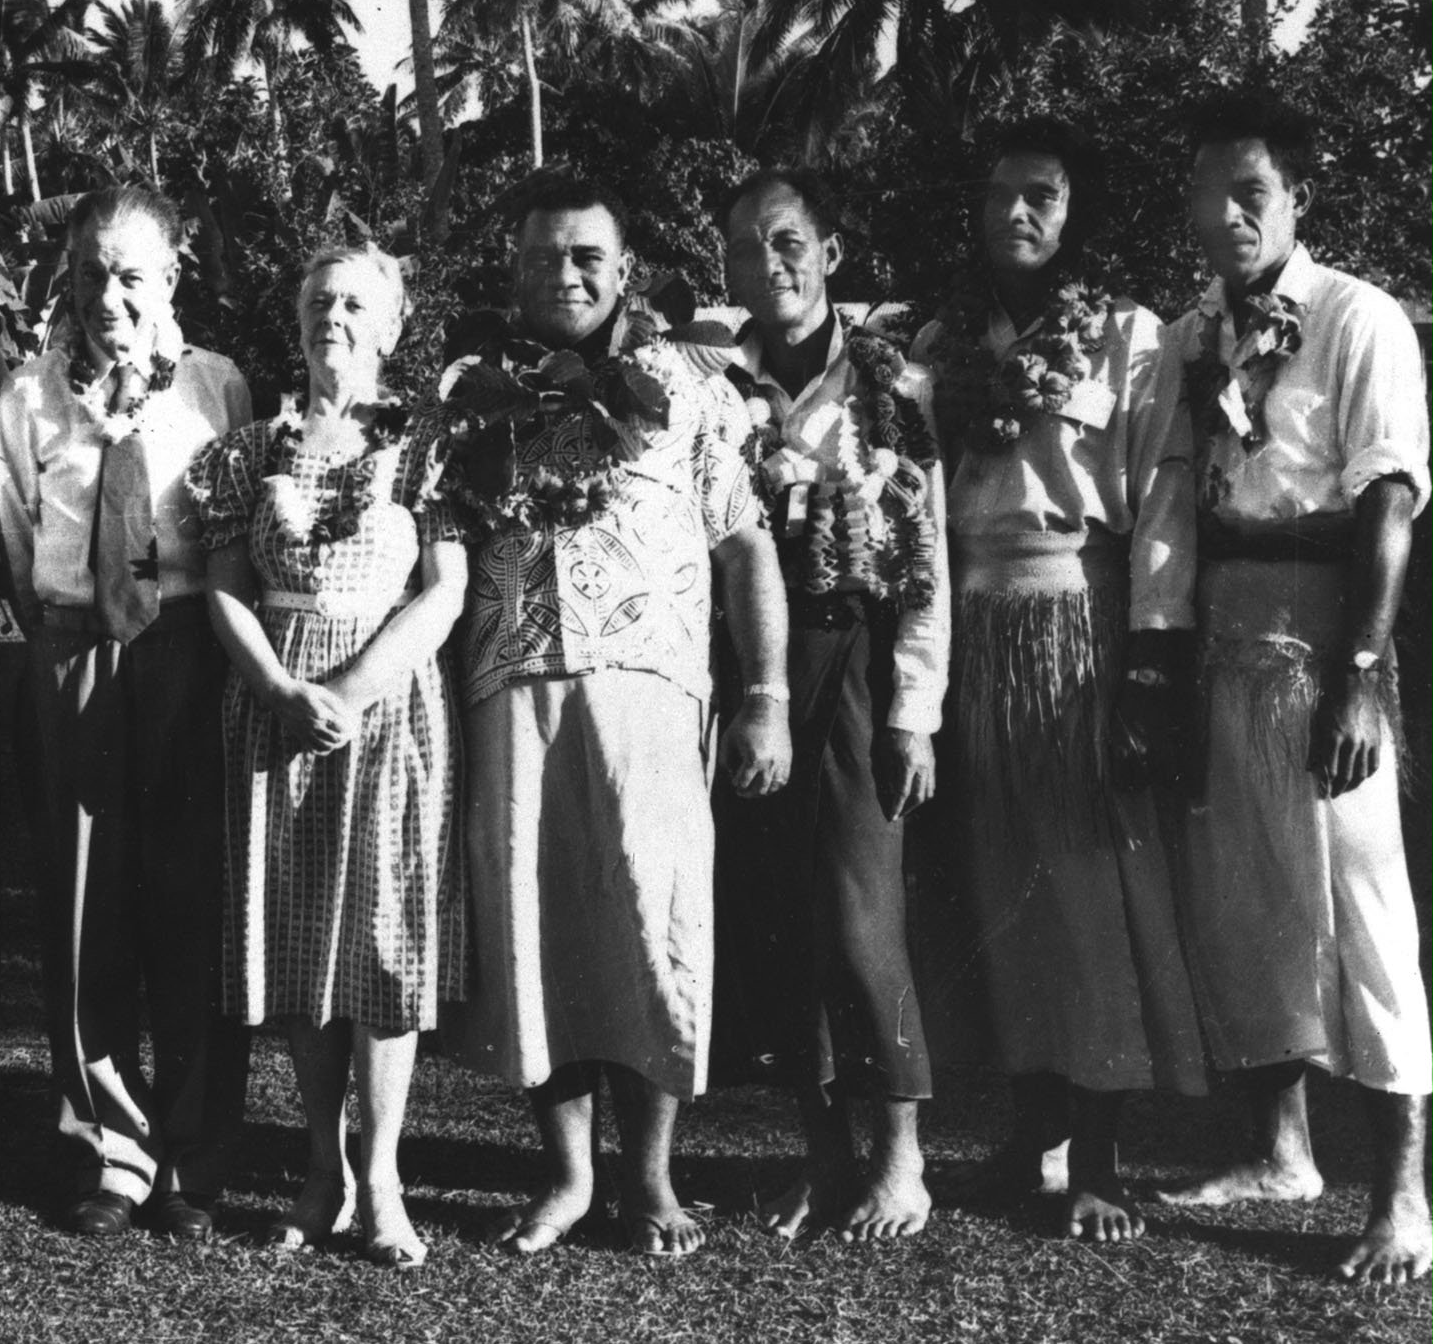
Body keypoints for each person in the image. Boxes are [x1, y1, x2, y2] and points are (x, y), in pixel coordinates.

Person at [437, 171, 792, 1257]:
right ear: (515, 270)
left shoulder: (688, 388)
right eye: (544, 256)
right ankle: (565, 1178)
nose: (566, 274)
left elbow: (745, 544)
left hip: (651, 689)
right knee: (531, 933)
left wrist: (765, 696)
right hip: (511, 687)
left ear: (624, 268)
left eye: (587, 255)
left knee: (652, 925)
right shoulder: (468, 397)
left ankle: (650, 1181)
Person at [1152, 91, 1431, 1286]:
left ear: (1295, 198)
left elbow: (1388, 503)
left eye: (1250, 193)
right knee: (1251, 913)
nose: (1227, 217)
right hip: (1225, 649)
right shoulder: (1186, 334)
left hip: (1326, 656)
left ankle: (1405, 1194)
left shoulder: (1358, 319)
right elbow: (1177, 510)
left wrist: (1361, 679)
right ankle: (1278, 1152)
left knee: (1360, 916)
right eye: (1207, 194)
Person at [910, 119, 1206, 1243]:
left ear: (1074, 211)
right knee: (1002, 891)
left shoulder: (1126, 337)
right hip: (970, 626)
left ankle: (1097, 1159)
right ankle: (1028, 1143)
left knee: (1089, 895)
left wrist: (1145, 664)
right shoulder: (943, 340)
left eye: (1042, 195)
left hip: (1078, 626)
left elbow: (1162, 506)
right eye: (999, 196)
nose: (1017, 214)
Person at [185, 245, 468, 1267]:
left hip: (383, 703)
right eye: (317, 301)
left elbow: (442, 589)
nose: (333, 317)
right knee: (302, 940)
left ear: (393, 326)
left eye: (356, 303)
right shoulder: (245, 447)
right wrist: (277, 690)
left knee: (382, 943)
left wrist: (349, 692)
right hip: (275, 703)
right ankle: (319, 1170)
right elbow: (224, 585)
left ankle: (382, 1174)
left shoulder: (428, 446)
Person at [693, 168, 948, 1243]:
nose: (772, 265)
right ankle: (824, 1157)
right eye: (748, 249)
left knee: (857, 914)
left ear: (831, 251)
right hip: (753, 657)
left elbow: (929, 549)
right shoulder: (709, 383)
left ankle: (903, 1162)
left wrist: (911, 708)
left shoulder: (895, 386)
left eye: (789, 240)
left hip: (854, 653)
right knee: (778, 918)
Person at [0, 186, 252, 1241]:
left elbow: (242, 526)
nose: (111, 294)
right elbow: (14, 547)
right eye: (93, 271)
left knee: (190, 907)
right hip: (74, 656)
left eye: (133, 273)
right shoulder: (27, 396)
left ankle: (192, 1153)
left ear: (171, 279)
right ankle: (115, 1148)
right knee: (85, 905)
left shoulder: (217, 385)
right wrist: (67, 649)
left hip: (190, 652)